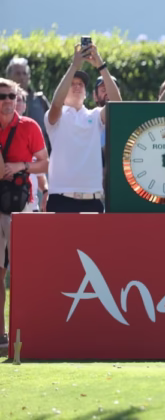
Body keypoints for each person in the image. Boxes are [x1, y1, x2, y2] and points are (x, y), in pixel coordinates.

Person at [0, 77, 50, 348]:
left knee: (23, 271)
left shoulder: (29, 126)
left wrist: (21, 166)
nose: (7, 101)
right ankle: (1, 334)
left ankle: (27, 332)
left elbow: (44, 164)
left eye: (11, 96)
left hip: (21, 207)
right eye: (2, 97)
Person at [44, 42, 121, 213]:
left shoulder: (95, 115)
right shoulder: (55, 116)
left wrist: (100, 64)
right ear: (63, 91)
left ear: (86, 93)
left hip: (93, 200)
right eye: (72, 83)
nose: (77, 86)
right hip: (61, 199)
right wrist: (74, 66)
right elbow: (56, 104)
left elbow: (117, 104)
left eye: (81, 84)